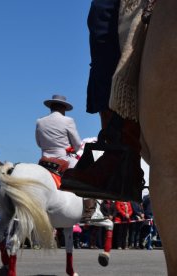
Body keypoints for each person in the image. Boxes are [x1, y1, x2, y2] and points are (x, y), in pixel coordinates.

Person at [60, 0, 149, 202]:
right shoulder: (64, 123)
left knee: (104, 21)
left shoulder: (44, 123)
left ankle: (120, 154)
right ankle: (119, 149)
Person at [36, 94, 82, 169]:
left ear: (51, 107)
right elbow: (77, 144)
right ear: (63, 108)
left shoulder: (40, 121)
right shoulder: (68, 120)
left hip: (44, 159)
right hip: (64, 159)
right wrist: (75, 150)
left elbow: (39, 143)